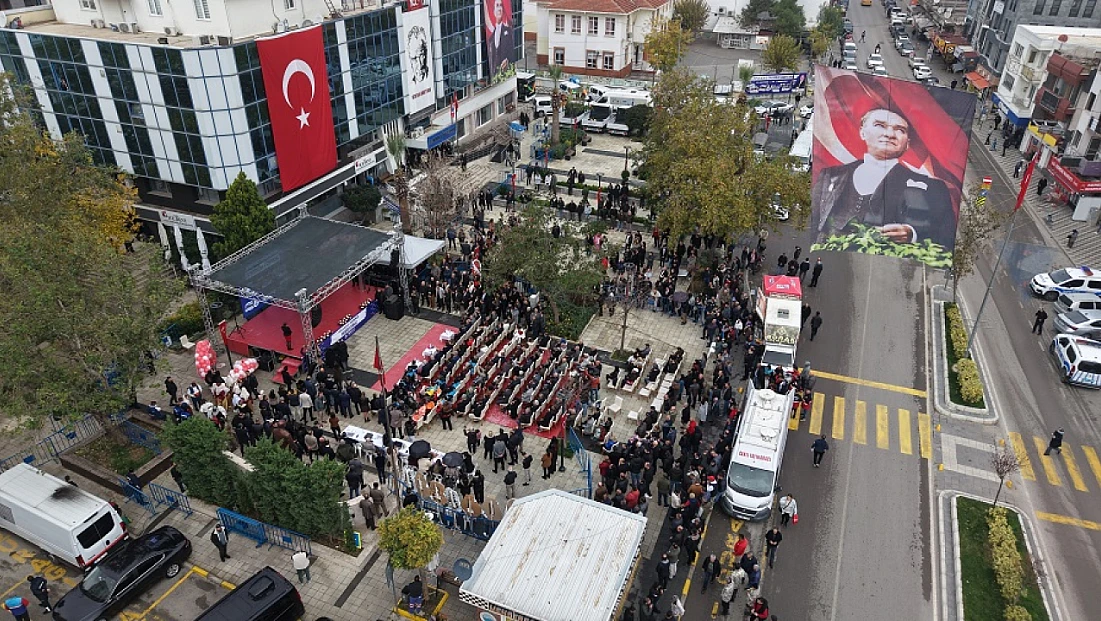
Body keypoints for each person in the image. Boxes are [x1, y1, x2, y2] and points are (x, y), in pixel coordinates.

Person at [812, 107, 955, 249]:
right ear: (862, 132)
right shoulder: (830, 175)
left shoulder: (933, 188)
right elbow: (812, 222)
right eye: (880, 125)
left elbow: (946, 238)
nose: (889, 134)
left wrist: (913, 234)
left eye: (900, 130)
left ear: (907, 144)